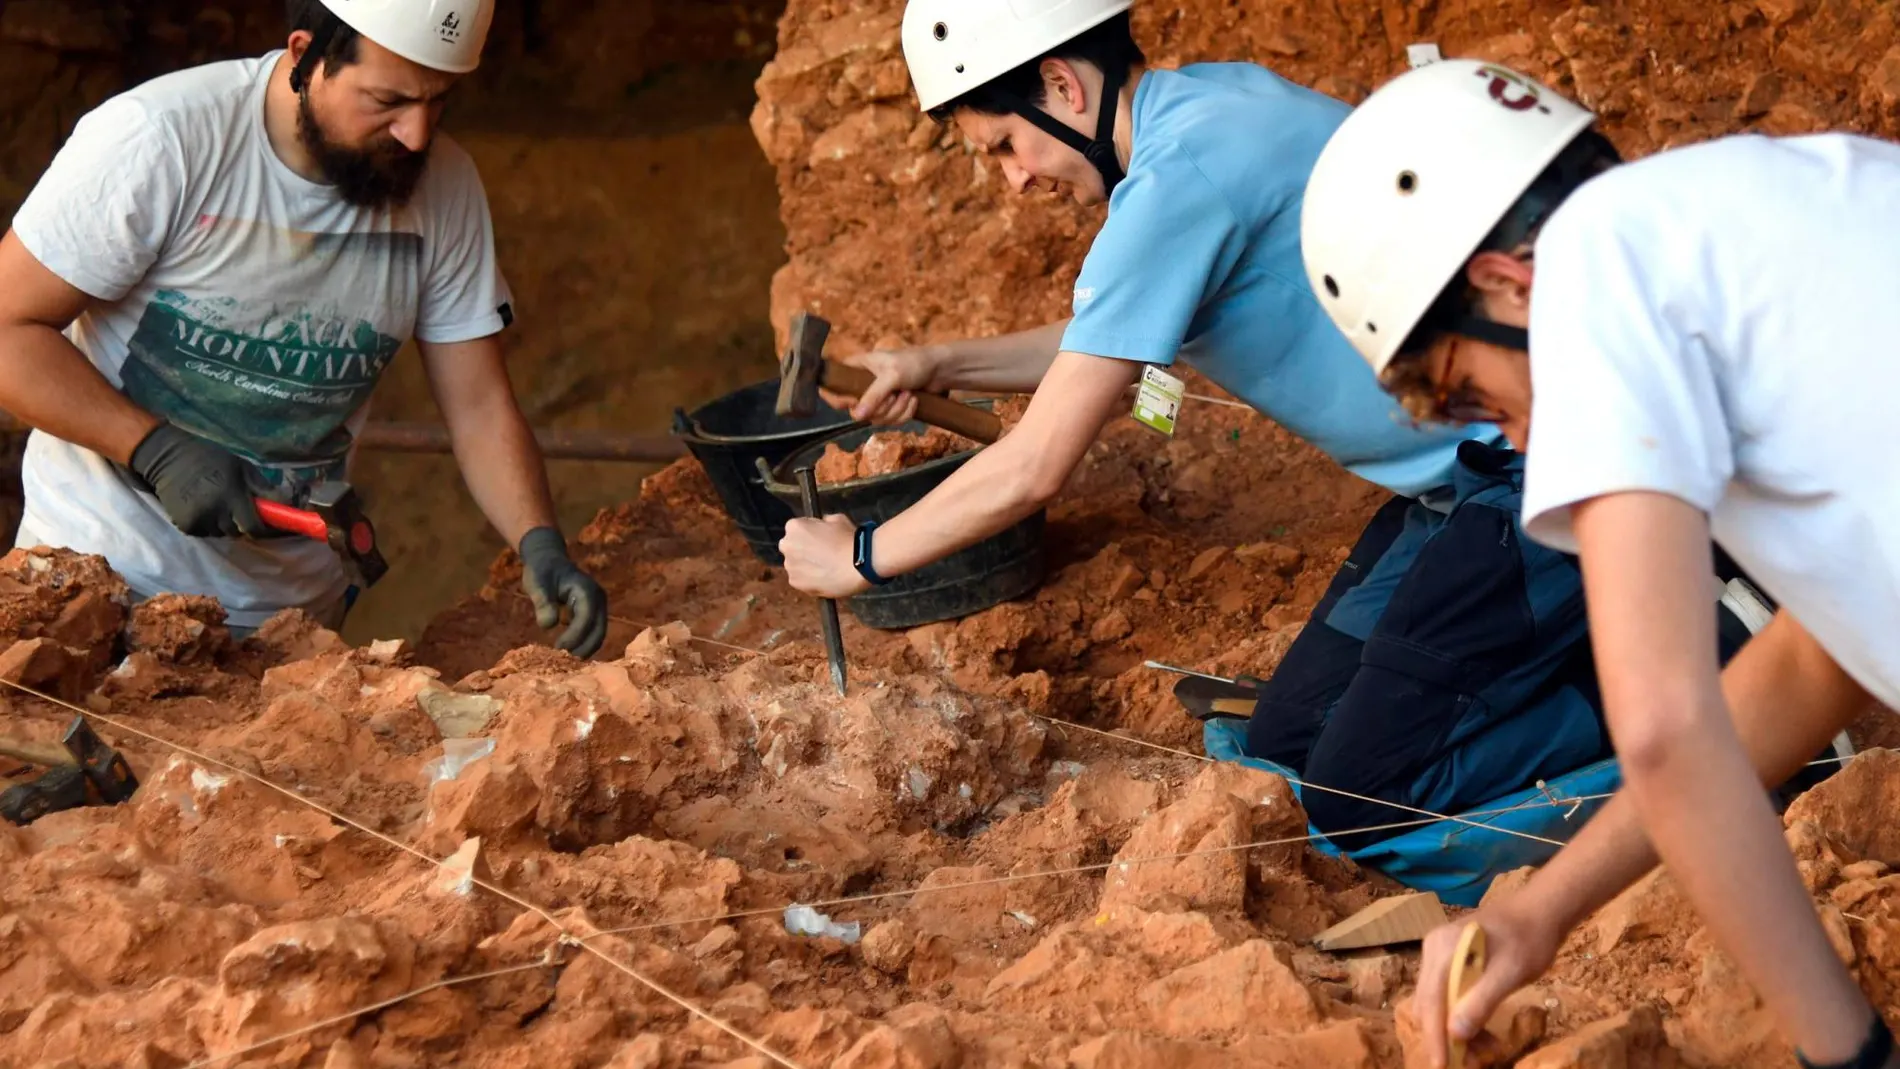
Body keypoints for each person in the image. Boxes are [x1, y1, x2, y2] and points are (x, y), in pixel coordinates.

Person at [778, 0, 1675, 850]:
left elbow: (1035, 464)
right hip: (1459, 482)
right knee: (1291, 740)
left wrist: (860, 557)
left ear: (1062, 86)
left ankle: (1673, 698)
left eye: (1006, 144)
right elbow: (1111, 336)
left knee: (1357, 796)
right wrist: (937, 365)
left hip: (1542, 463)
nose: (1015, 178)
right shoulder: (1216, 103)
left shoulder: (1179, 181)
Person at [1299, 57, 1899, 1069]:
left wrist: (1844, 1054)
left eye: (1480, 398)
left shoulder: (1592, 276)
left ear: (1501, 282)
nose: (1522, 444)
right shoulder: (1766, 210)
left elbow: (1665, 730)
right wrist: (1543, 909)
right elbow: (1814, 655)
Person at [0, 0, 607, 657]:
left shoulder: (445, 191)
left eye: (439, 102)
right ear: (303, 55)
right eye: (388, 100)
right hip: (98, 589)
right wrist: (150, 446)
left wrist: (537, 539)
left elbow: (480, 404)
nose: (417, 135)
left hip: (290, 629)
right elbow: (8, 327)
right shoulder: (162, 139)